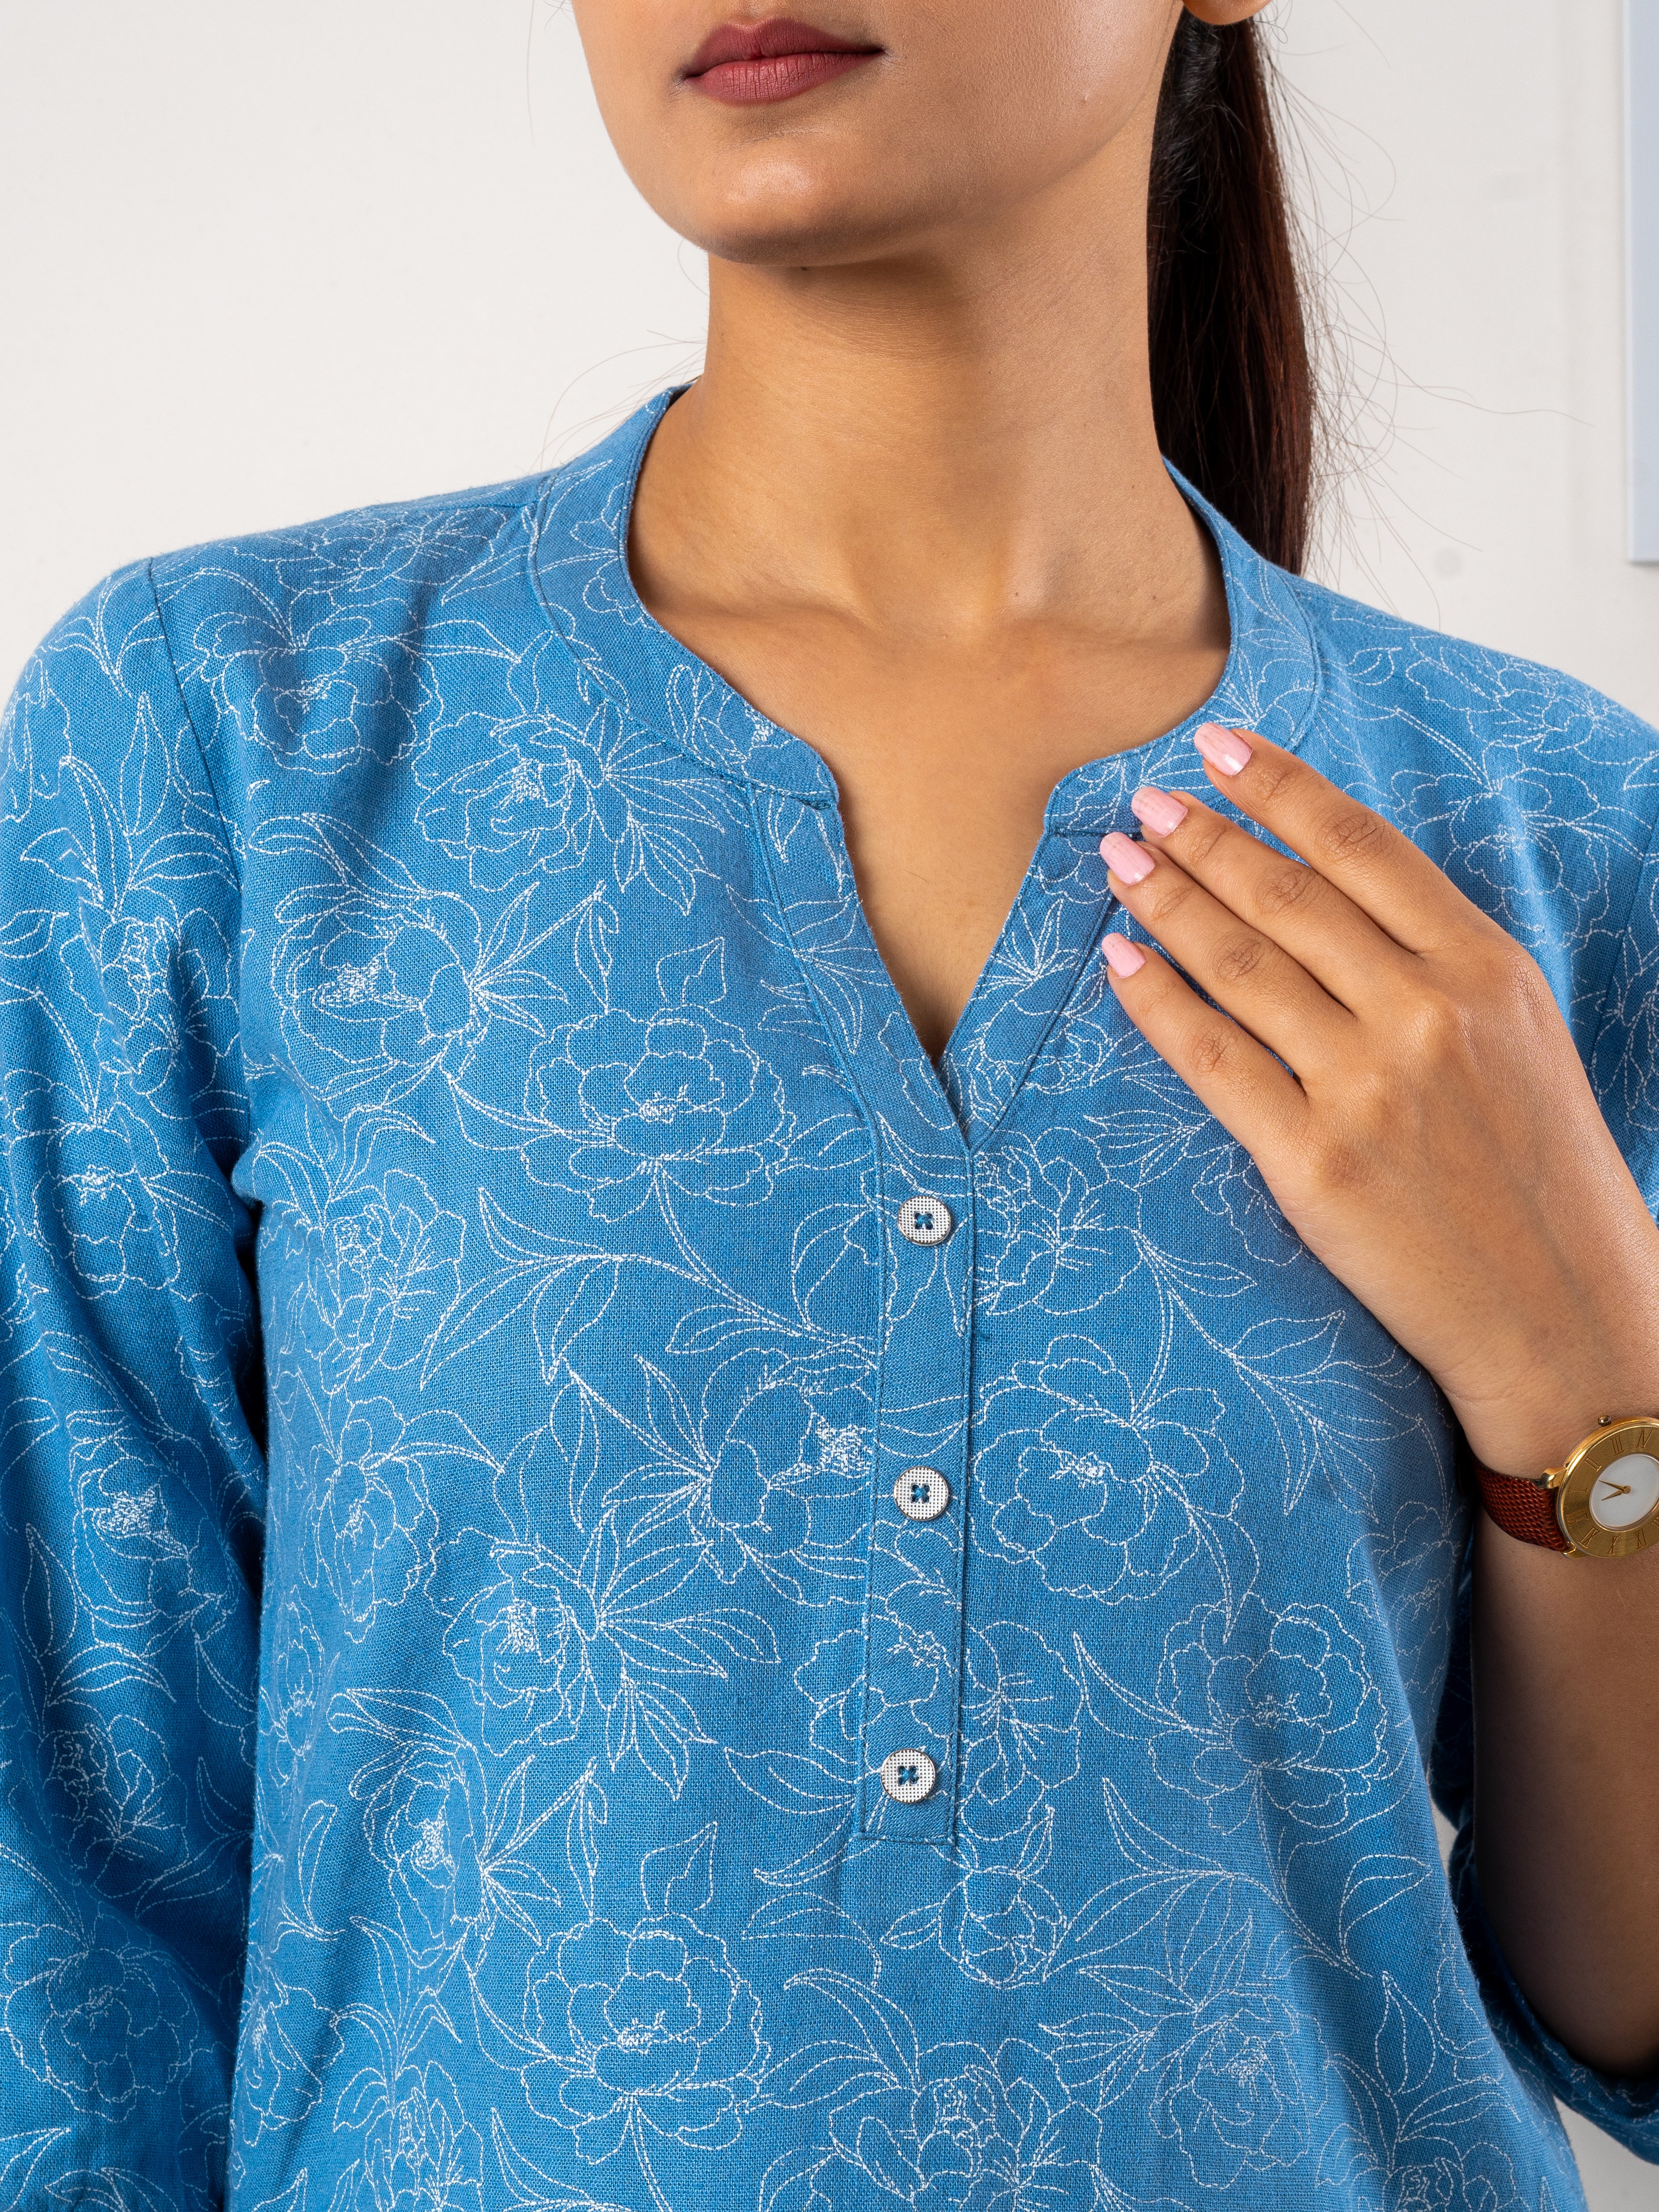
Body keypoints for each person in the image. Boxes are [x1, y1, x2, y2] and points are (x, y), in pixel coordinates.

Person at [1, 3, 1656, 2205]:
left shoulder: (1544, 842)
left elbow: (1628, 2014)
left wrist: (1588, 1377)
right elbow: (62, 1919)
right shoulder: (225, 745)